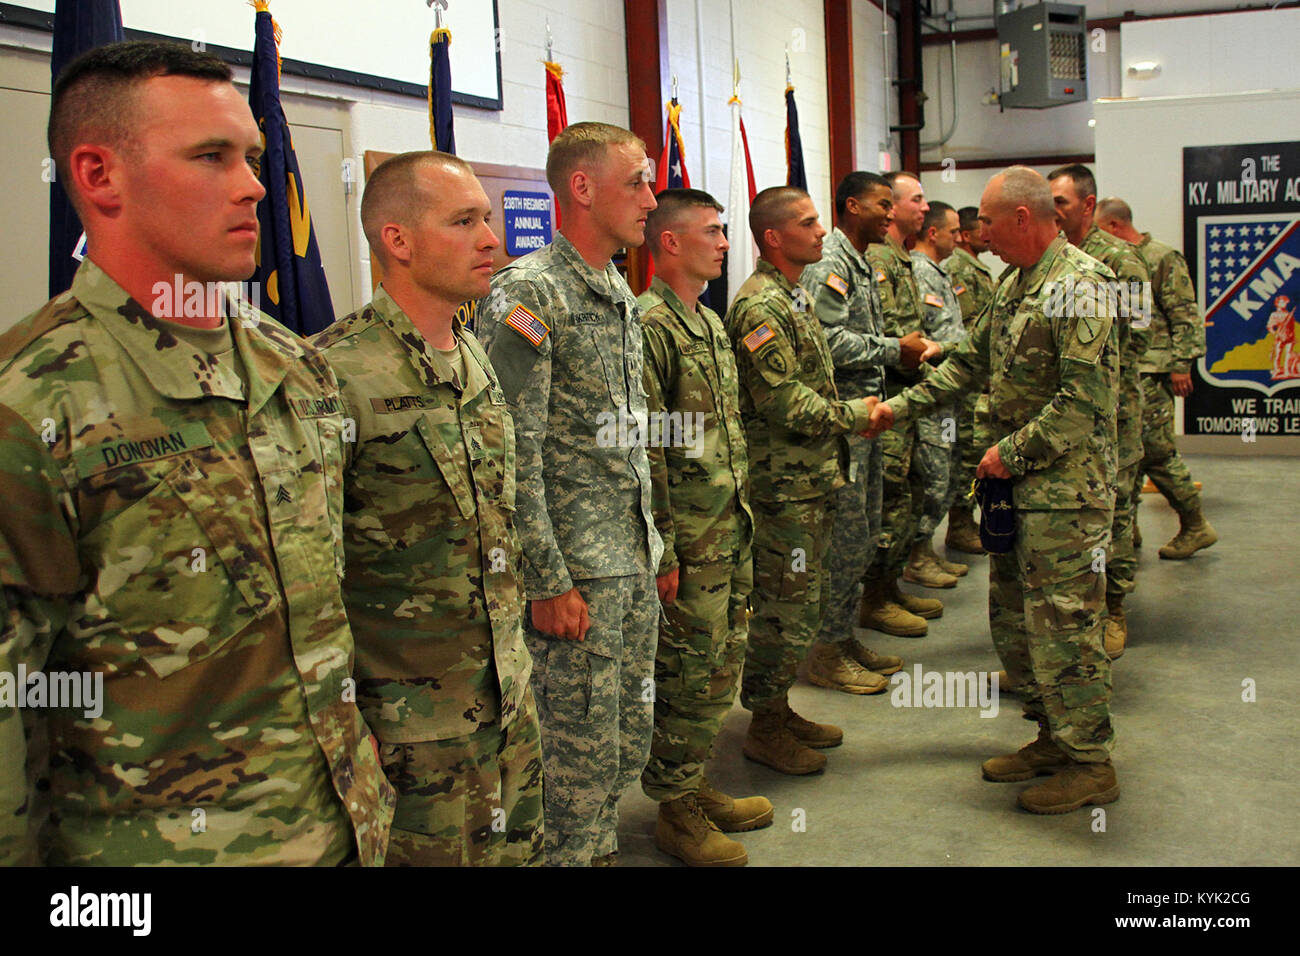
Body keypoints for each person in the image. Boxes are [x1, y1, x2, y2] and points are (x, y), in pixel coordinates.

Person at [0, 40, 394, 865]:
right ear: (99, 176)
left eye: (251, 156)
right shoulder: (32, 401)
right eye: (211, 157)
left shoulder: (293, 364)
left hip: (341, 828)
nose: (254, 184)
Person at [311, 152, 543, 866]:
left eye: (488, 218)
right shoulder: (330, 374)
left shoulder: (472, 354)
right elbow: (311, 578)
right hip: (411, 733)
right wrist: (349, 730)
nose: (491, 240)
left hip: (507, 706)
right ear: (397, 240)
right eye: (463, 221)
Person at [867, 166, 1120, 815]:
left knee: (1066, 625)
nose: (977, 231)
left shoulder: (1079, 285)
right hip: (1016, 491)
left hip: (1065, 493)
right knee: (1017, 622)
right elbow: (970, 364)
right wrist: (901, 408)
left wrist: (1007, 453)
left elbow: (1081, 404)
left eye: (986, 219)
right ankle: (1051, 738)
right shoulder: (1015, 284)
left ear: (1023, 219)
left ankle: (1090, 761)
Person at [477, 122, 661, 867]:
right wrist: (548, 580)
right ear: (581, 189)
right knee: (571, 766)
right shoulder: (527, 295)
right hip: (576, 575)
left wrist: (657, 545)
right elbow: (511, 450)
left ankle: (597, 852)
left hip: (627, 560)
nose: (651, 199)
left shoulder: (615, 287)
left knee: (620, 748)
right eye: (637, 183)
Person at [636, 187, 771, 866]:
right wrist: (662, 545)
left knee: (721, 662)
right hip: (689, 538)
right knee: (688, 670)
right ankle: (675, 809)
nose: (724, 243)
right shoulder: (652, 325)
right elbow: (648, 448)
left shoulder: (708, 323)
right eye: (713, 232)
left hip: (728, 526)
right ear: (670, 242)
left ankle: (694, 780)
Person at [725, 186, 877, 775]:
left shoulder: (793, 296)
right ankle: (764, 724)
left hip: (811, 479)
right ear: (773, 237)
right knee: (782, 610)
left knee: (801, 603)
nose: (821, 232)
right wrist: (859, 416)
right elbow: (786, 401)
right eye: (808, 223)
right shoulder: (760, 306)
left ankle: (778, 707)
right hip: (782, 487)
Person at [801, 171, 934, 694]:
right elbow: (828, 342)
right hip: (843, 421)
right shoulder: (832, 263)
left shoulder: (861, 262)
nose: (890, 214)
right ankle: (825, 651)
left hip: (867, 417)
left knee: (865, 531)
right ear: (853, 206)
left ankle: (841, 635)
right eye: (883, 205)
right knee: (848, 536)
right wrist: (891, 349)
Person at [1049, 164, 1151, 660]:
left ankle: (1114, 608)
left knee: (1117, 512)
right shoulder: (1046, 261)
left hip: (1115, 415)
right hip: (1064, 416)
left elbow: (1138, 337)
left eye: (1062, 203)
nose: (1054, 211)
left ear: (1088, 205)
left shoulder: (1120, 261)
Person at [861, 171, 958, 636]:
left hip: (911, 390)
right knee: (892, 496)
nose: (924, 207)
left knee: (910, 492)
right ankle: (874, 597)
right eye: (913, 200)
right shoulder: (876, 258)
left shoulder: (897, 258)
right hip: (890, 392)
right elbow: (878, 331)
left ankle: (890, 584)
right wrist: (904, 350)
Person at [1096, 197, 1218, 559]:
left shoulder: (1161, 257)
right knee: (1127, 451)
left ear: (1115, 226)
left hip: (1154, 369)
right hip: (1127, 370)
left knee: (1155, 451)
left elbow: (1184, 314)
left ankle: (1195, 524)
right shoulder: (1116, 259)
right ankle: (1127, 528)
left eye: (1100, 230)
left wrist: (1182, 364)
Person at [907, 201, 971, 585]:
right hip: (933, 388)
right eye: (953, 231)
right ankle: (916, 556)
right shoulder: (920, 271)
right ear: (934, 233)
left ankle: (925, 549)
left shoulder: (939, 272)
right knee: (931, 478)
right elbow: (930, 333)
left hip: (950, 389)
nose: (960, 238)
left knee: (944, 474)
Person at [945, 206, 997, 555]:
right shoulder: (959, 268)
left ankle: (967, 521)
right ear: (965, 233)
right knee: (967, 454)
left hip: (981, 374)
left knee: (972, 452)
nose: (986, 234)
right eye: (981, 228)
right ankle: (960, 523)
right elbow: (968, 325)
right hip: (971, 375)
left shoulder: (976, 266)